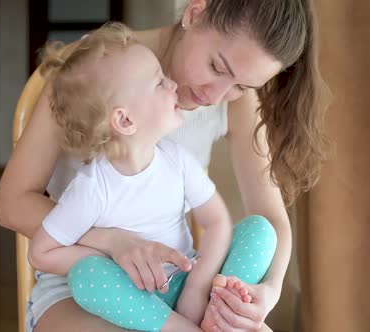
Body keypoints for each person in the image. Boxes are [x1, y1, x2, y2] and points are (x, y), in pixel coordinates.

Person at [0, 0, 329, 331]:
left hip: (174, 280)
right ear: (195, 14)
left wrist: (268, 292)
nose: (216, 96)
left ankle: (207, 321)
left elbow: (270, 217)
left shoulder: (236, 105)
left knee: (257, 238)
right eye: (217, 67)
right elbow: (12, 203)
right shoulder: (95, 65)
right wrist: (112, 241)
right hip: (82, 280)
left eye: (242, 86)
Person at [27, 22, 276, 332]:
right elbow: (41, 252)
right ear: (125, 119)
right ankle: (182, 328)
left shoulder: (177, 161)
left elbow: (218, 222)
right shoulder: (92, 189)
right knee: (86, 276)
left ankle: (219, 311)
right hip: (132, 297)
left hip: (185, 280)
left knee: (260, 231)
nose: (171, 85)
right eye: (159, 83)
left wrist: (197, 289)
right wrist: (109, 254)